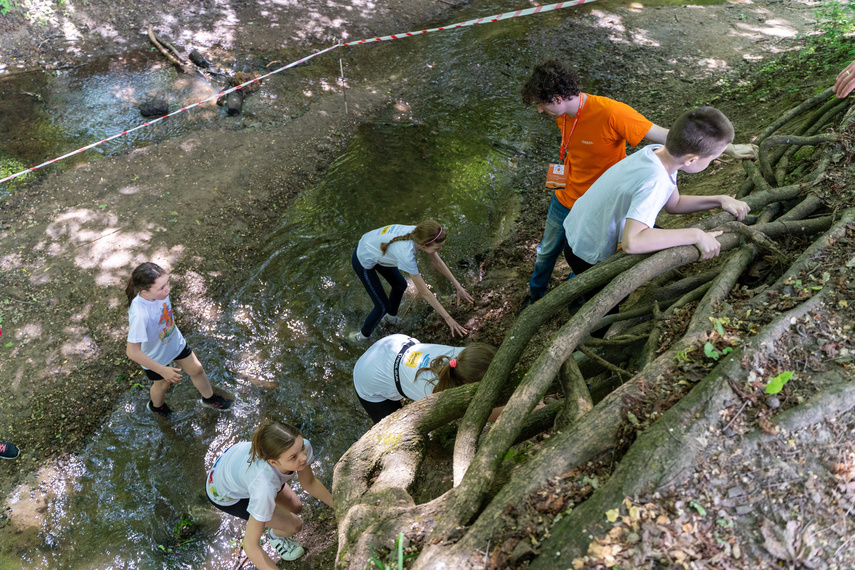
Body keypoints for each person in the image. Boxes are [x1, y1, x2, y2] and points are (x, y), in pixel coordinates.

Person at [520, 60, 757, 304]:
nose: (539, 110)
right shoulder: (658, 164)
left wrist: (721, 182)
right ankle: (545, 298)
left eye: (541, 103)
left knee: (585, 273)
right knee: (558, 260)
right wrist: (696, 234)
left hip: (588, 218)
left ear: (558, 98)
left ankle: (573, 292)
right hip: (572, 207)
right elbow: (634, 240)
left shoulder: (641, 140)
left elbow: (673, 146)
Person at [562, 106, 750, 276]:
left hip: (577, 229)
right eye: (711, 159)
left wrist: (720, 199)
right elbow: (632, 242)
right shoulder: (655, 180)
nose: (711, 163)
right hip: (586, 250)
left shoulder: (658, 153)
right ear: (691, 160)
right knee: (608, 305)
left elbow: (674, 204)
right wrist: (696, 234)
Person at [206, 419, 333, 567]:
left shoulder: (297, 448)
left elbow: (309, 483)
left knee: (296, 507)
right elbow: (250, 546)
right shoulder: (264, 485)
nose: (303, 457)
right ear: (273, 462)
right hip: (224, 493)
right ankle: (275, 537)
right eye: (294, 457)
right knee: (295, 526)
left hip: (235, 467)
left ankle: (276, 530)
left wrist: (341, 506)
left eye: (302, 448)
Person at [125, 262, 233, 418]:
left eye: (167, 283)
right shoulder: (140, 314)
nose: (167, 289)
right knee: (163, 384)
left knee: (197, 369)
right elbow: (132, 352)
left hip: (174, 343)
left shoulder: (160, 295)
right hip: (155, 356)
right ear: (145, 292)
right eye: (161, 288)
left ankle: (209, 399)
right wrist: (162, 370)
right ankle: (157, 407)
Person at [350, 220, 474, 342]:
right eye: (438, 247)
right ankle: (361, 336)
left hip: (377, 250)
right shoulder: (407, 253)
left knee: (400, 284)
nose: (441, 249)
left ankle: (390, 318)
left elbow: (438, 263)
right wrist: (448, 319)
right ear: (425, 246)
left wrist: (458, 286)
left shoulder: (421, 235)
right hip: (363, 257)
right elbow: (425, 293)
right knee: (382, 307)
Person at [353, 333, 499, 424]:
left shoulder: (464, 357)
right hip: (367, 374)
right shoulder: (440, 392)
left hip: (397, 344)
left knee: (410, 380)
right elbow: (488, 414)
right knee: (392, 426)